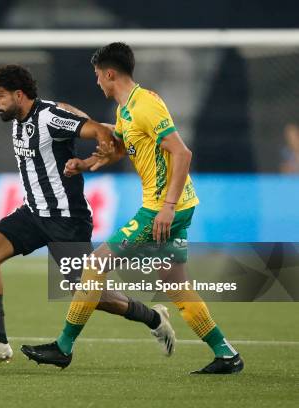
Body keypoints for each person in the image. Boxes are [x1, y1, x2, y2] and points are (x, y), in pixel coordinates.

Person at [22, 43, 244, 374]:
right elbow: (126, 147)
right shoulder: (128, 108)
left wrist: (167, 207)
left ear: (110, 73)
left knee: (95, 265)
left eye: (98, 75)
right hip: (178, 205)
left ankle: (63, 347)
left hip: (162, 208)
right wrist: (86, 163)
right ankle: (227, 355)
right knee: (175, 284)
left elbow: (182, 153)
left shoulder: (145, 106)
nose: (97, 81)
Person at [0, 64, 175, 365]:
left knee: (91, 293)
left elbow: (96, 129)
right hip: (33, 214)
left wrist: (97, 155)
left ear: (19, 94)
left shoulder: (51, 116)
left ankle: (153, 317)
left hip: (67, 219)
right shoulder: (19, 119)